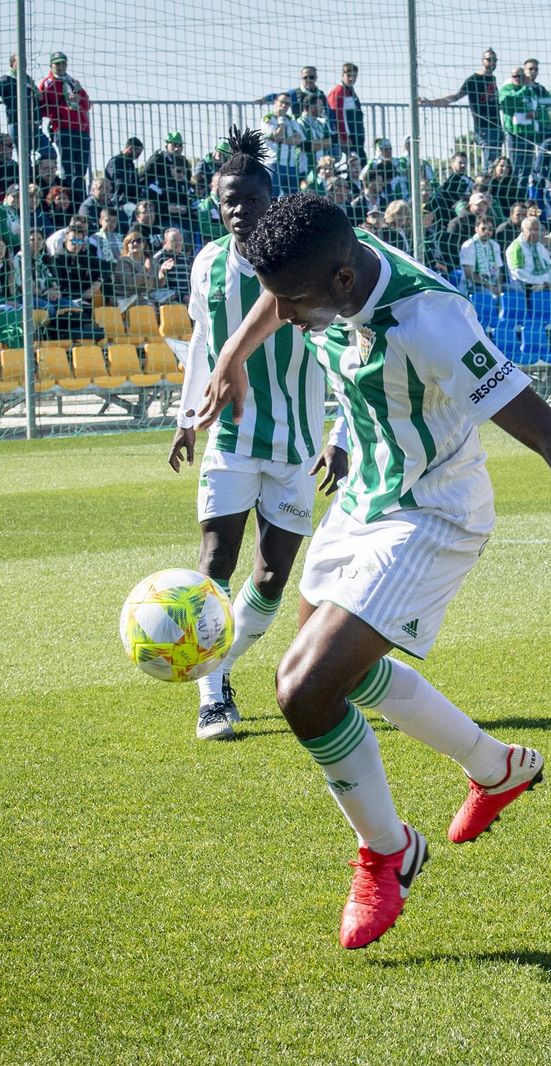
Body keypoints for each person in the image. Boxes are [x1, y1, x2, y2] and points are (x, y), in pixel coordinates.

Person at [192, 191, 551, 949]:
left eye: (296, 303)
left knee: (303, 689)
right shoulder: (316, 274)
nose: (284, 317)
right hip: (363, 496)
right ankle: (499, 767)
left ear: (345, 282)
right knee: (337, 677)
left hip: (435, 510)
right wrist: (231, 359)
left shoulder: (432, 323)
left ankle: (388, 852)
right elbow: (271, 293)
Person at [167, 128, 349, 740]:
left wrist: (342, 432)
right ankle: (212, 695)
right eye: (227, 200)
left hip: (298, 445)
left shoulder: (303, 263)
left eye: (248, 198)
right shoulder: (208, 263)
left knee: (271, 579)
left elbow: (349, 345)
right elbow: (201, 343)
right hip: (232, 440)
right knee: (215, 561)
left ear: (271, 199)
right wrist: (188, 417)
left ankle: (218, 662)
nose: (237, 209)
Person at [420, 50, 501, 172]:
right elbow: (455, 97)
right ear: (482, 61)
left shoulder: (493, 79)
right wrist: (430, 102)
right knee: (489, 164)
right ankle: (486, 188)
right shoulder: (473, 80)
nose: (492, 63)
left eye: (494, 60)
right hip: (484, 128)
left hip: (497, 126)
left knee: (496, 163)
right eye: (489, 60)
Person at [39, 52, 92, 200]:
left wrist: (79, 97)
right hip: (63, 129)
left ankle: (80, 197)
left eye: (63, 63)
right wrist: (63, 107)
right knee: (68, 168)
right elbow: (44, 108)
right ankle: (69, 198)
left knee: (81, 169)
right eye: (58, 64)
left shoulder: (73, 82)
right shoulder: (48, 83)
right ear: (51, 65)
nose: (61, 67)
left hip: (82, 129)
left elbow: (87, 105)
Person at [0, 55, 46, 159]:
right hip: (18, 125)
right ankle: (28, 174)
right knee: (25, 158)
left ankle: (39, 171)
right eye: (20, 62)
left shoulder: (28, 80)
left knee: (49, 152)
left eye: (24, 62)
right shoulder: (7, 80)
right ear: (12, 64)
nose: (23, 65)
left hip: (34, 125)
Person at [498, 68, 538, 188]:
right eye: (515, 76)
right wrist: (524, 88)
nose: (518, 79)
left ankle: (523, 195)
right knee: (515, 166)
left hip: (528, 132)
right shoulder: (506, 88)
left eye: (521, 76)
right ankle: (514, 192)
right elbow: (509, 100)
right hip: (513, 133)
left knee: (526, 168)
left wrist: (537, 113)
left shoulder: (531, 90)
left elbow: (544, 102)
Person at [263, 94, 306, 197]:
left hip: (291, 165)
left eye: (287, 104)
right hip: (274, 163)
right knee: (272, 196)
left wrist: (282, 140)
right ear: (275, 102)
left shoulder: (291, 120)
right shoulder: (268, 118)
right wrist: (281, 120)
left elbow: (299, 140)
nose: (284, 106)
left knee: (294, 198)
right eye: (281, 102)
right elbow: (278, 136)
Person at [505, 214, 551, 294]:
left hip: (545, 286)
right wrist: (541, 281)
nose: (535, 233)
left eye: (537, 230)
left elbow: (549, 266)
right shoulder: (516, 247)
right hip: (523, 288)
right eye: (531, 230)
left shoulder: (539, 246)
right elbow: (518, 273)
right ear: (522, 230)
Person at [327, 63, 365, 165]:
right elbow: (338, 116)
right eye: (349, 76)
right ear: (342, 75)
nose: (352, 79)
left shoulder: (350, 91)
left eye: (354, 76)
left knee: (361, 161)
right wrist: (344, 137)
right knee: (354, 162)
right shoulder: (338, 92)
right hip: (349, 137)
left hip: (357, 135)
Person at [459, 216, 503, 296]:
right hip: (473, 285)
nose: (487, 232)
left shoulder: (495, 245)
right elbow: (468, 273)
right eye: (483, 229)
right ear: (476, 229)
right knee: (489, 295)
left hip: (492, 283)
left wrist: (499, 287)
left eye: (490, 229)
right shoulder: (469, 245)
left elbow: (499, 271)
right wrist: (488, 286)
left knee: (516, 291)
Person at [104, 137, 145, 213]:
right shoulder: (115, 162)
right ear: (130, 149)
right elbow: (120, 184)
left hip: (131, 199)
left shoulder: (130, 164)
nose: (138, 156)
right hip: (118, 201)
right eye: (138, 153)